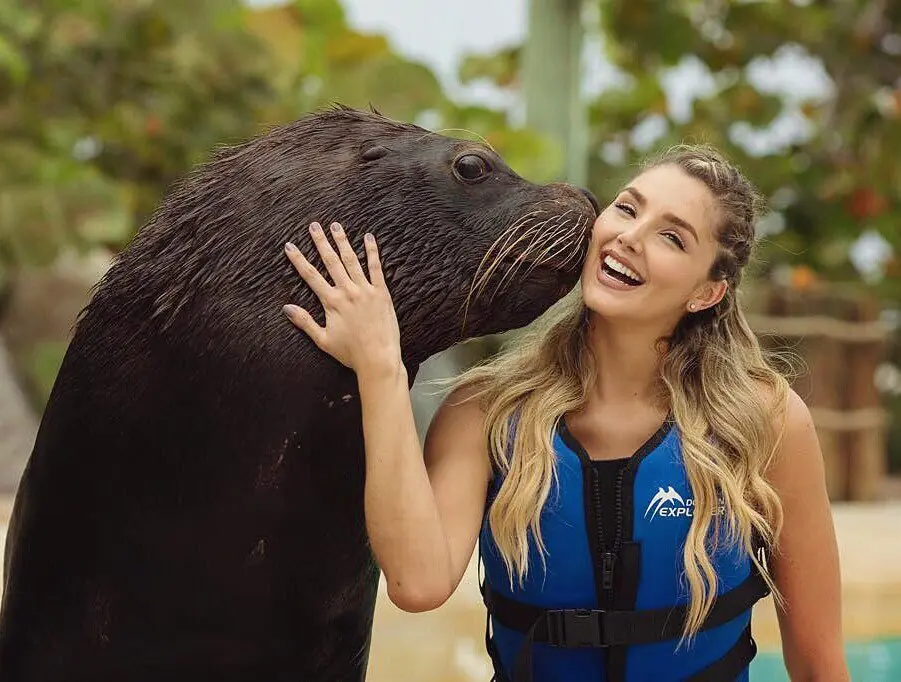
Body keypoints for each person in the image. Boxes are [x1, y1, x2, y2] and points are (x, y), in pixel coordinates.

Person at [280, 145, 849, 681]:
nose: (630, 237)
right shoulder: (486, 410)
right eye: (627, 209)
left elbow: (820, 667)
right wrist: (381, 366)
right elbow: (417, 582)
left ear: (707, 292)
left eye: (672, 238)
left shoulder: (765, 421)